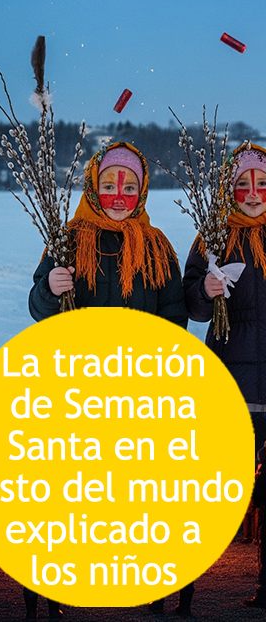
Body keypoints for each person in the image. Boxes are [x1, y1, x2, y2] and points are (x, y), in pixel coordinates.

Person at [182, 143, 266, 609]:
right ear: (227, 190)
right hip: (231, 377)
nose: (253, 193)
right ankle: (181, 579)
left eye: (262, 184)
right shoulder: (214, 235)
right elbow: (191, 304)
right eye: (242, 185)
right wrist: (205, 288)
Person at [29, 142, 186, 326]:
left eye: (129, 188)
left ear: (142, 191)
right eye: (109, 187)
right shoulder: (69, 240)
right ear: (94, 189)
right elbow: (39, 311)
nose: (119, 198)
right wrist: (49, 289)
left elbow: (173, 311)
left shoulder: (155, 246)